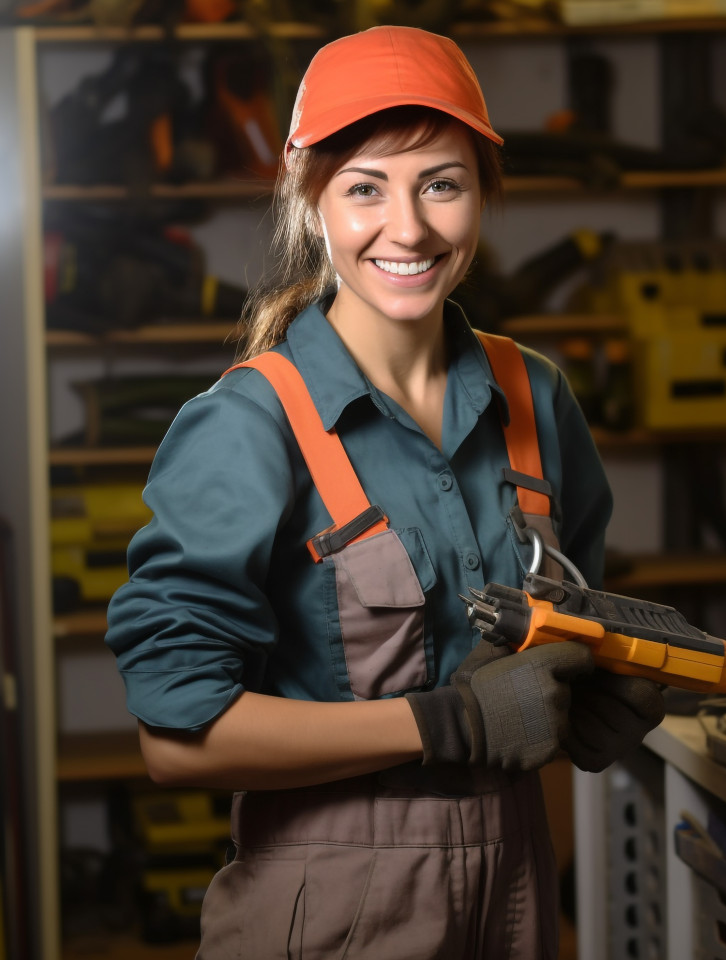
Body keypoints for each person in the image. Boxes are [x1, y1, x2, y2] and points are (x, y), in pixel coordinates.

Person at [105, 24, 665, 959]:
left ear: (484, 191)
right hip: (325, 908)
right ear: (309, 197)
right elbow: (175, 741)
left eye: (440, 183)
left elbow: (555, 646)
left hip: (516, 898)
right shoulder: (249, 427)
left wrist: (597, 686)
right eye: (365, 188)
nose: (407, 229)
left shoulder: (535, 397)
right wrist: (443, 722)